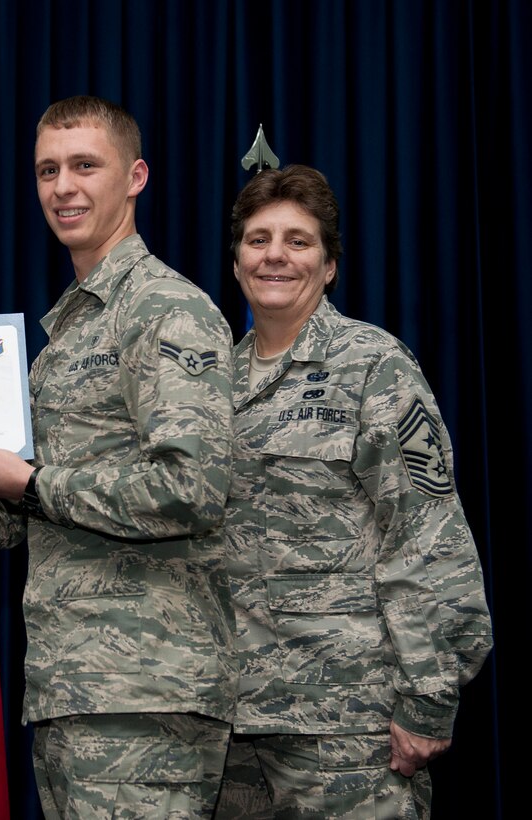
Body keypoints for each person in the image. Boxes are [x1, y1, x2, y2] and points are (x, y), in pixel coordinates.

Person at [0, 95, 237, 818]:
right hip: (72, 695)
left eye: (86, 166)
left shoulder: (165, 311)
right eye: (47, 170)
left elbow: (192, 489)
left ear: (136, 177)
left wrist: (35, 480)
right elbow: (4, 518)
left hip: (145, 696)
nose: (64, 188)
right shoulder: (65, 337)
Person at [213, 165, 493, 819]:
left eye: (298, 240)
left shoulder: (375, 367)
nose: (275, 255)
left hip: (347, 728)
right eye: (257, 240)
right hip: (229, 730)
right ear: (235, 263)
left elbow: (427, 535)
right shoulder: (211, 386)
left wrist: (428, 697)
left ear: (330, 264)